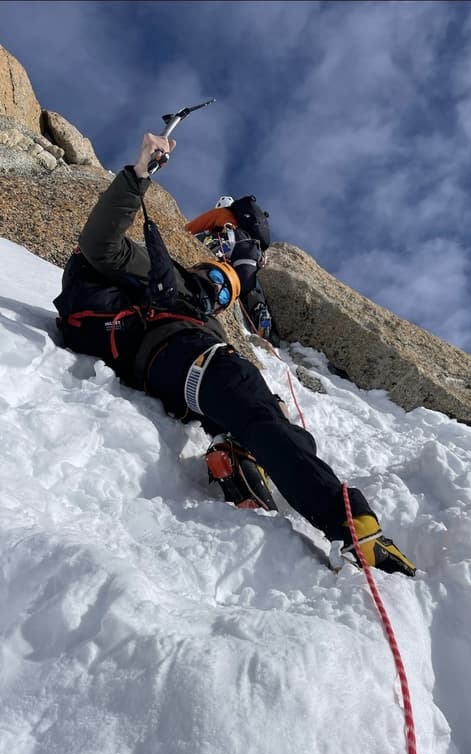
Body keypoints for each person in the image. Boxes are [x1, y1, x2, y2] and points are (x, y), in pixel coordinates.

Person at [53, 132, 417, 577]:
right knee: (253, 404)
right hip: (184, 357)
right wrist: (140, 173)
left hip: (172, 372)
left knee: (258, 408)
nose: (212, 293)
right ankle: (352, 523)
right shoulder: (151, 275)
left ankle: (235, 460)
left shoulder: (161, 305)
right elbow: (99, 243)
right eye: (211, 284)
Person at [186, 193, 273, 340]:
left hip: (231, 243)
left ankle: (217, 251)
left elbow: (193, 227)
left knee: (205, 240)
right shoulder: (249, 227)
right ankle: (260, 312)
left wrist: (180, 232)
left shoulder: (220, 213)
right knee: (248, 286)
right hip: (251, 251)